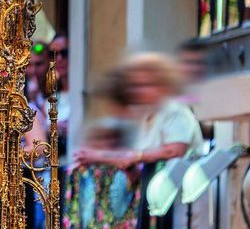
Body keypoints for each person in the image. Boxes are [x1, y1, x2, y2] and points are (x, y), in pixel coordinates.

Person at [73, 53, 203, 170]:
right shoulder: (146, 116)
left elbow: (173, 152)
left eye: (145, 85)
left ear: (162, 84)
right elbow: (134, 157)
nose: (137, 91)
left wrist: (103, 156)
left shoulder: (174, 109)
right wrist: (97, 157)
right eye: (135, 85)